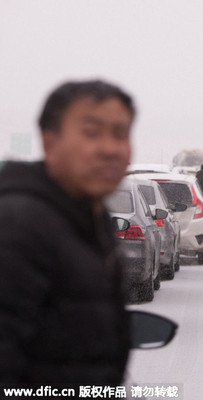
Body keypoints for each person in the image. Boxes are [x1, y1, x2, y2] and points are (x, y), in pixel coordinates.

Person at [0, 80, 134, 388]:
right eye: (91, 132)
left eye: (120, 134)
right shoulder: (18, 227)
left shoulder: (87, 220)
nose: (110, 149)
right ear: (49, 143)